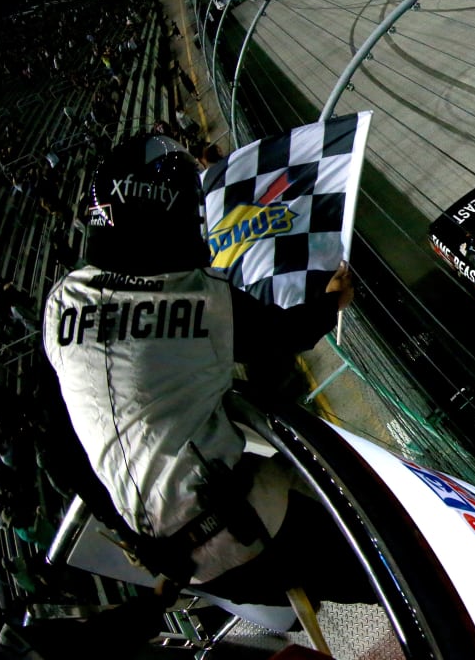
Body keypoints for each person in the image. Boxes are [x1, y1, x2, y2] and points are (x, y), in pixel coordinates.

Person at [42, 133, 372, 606]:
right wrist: (329, 302)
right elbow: (285, 336)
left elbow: (60, 454)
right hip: (251, 521)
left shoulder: (60, 306)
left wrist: (139, 541)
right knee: (396, 567)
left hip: (184, 566)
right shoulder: (199, 296)